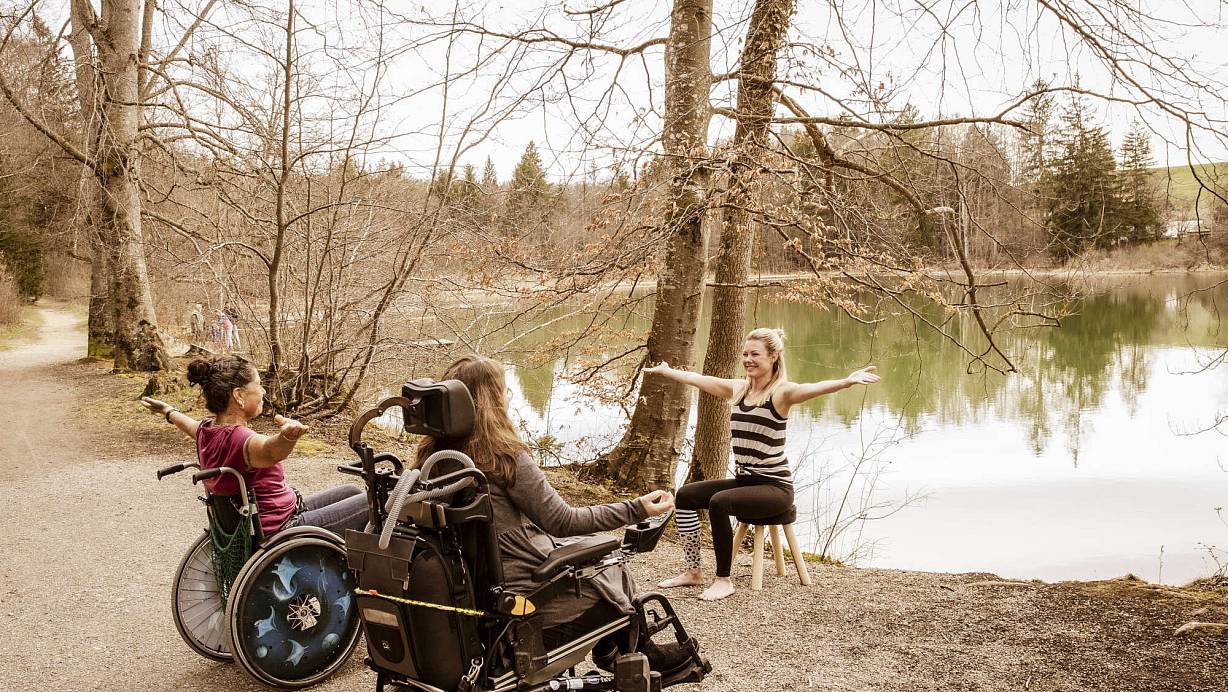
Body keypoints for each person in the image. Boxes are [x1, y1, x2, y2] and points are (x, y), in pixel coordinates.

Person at [415, 355, 689, 672]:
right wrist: (637, 508)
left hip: (471, 594)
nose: (508, 397)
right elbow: (562, 521)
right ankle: (636, 655)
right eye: (503, 391)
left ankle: (614, 650)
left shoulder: (433, 460)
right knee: (613, 567)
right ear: (492, 400)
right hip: (520, 598)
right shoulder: (502, 457)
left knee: (592, 557)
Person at [646, 327, 881, 601]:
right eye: (745, 354)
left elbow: (811, 388)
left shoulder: (781, 393)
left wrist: (846, 382)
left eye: (755, 354)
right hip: (746, 482)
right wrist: (668, 372)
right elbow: (700, 379)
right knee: (686, 495)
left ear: (773, 356)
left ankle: (723, 580)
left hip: (775, 488)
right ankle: (693, 571)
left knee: (719, 502)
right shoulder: (739, 390)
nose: (748, 360)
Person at [140, 355, 367, 536]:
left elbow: (189, 424)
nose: (263, 392)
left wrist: (168, 411)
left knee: (352, 491)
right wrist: (288, 436)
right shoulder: (242, 440)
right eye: (258, 385)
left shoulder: (207, 430)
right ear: (239, 395)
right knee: (373, 503)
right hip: (280, 528)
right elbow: (270, 451)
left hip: (260, 519)